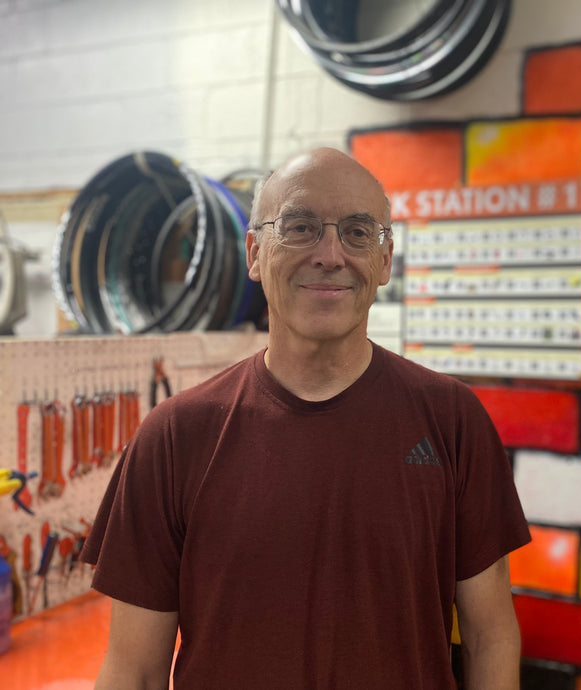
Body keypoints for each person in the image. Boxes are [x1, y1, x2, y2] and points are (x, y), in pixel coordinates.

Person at [81, 147, 532, 689]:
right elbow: (134, 671)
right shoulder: (175, 436)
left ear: (385, 261)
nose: (330, 254)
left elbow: (491, 638)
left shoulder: (453, 422)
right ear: (253, 252)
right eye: (299, 227)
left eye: (359, 233)